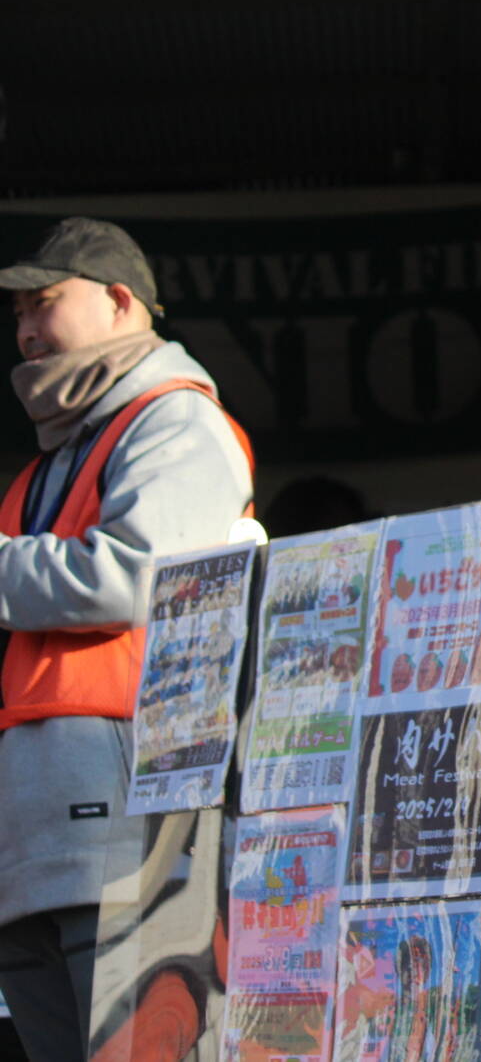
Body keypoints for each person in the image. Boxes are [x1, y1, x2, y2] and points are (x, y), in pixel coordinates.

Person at [0, 217, 254, 1060]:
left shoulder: (178, 420)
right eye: (18, 314)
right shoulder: (46, 465)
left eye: (44, 303)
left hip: (133, 825)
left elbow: (135, 574)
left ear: (118, 302)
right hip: (37, 841)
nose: (26, 329)